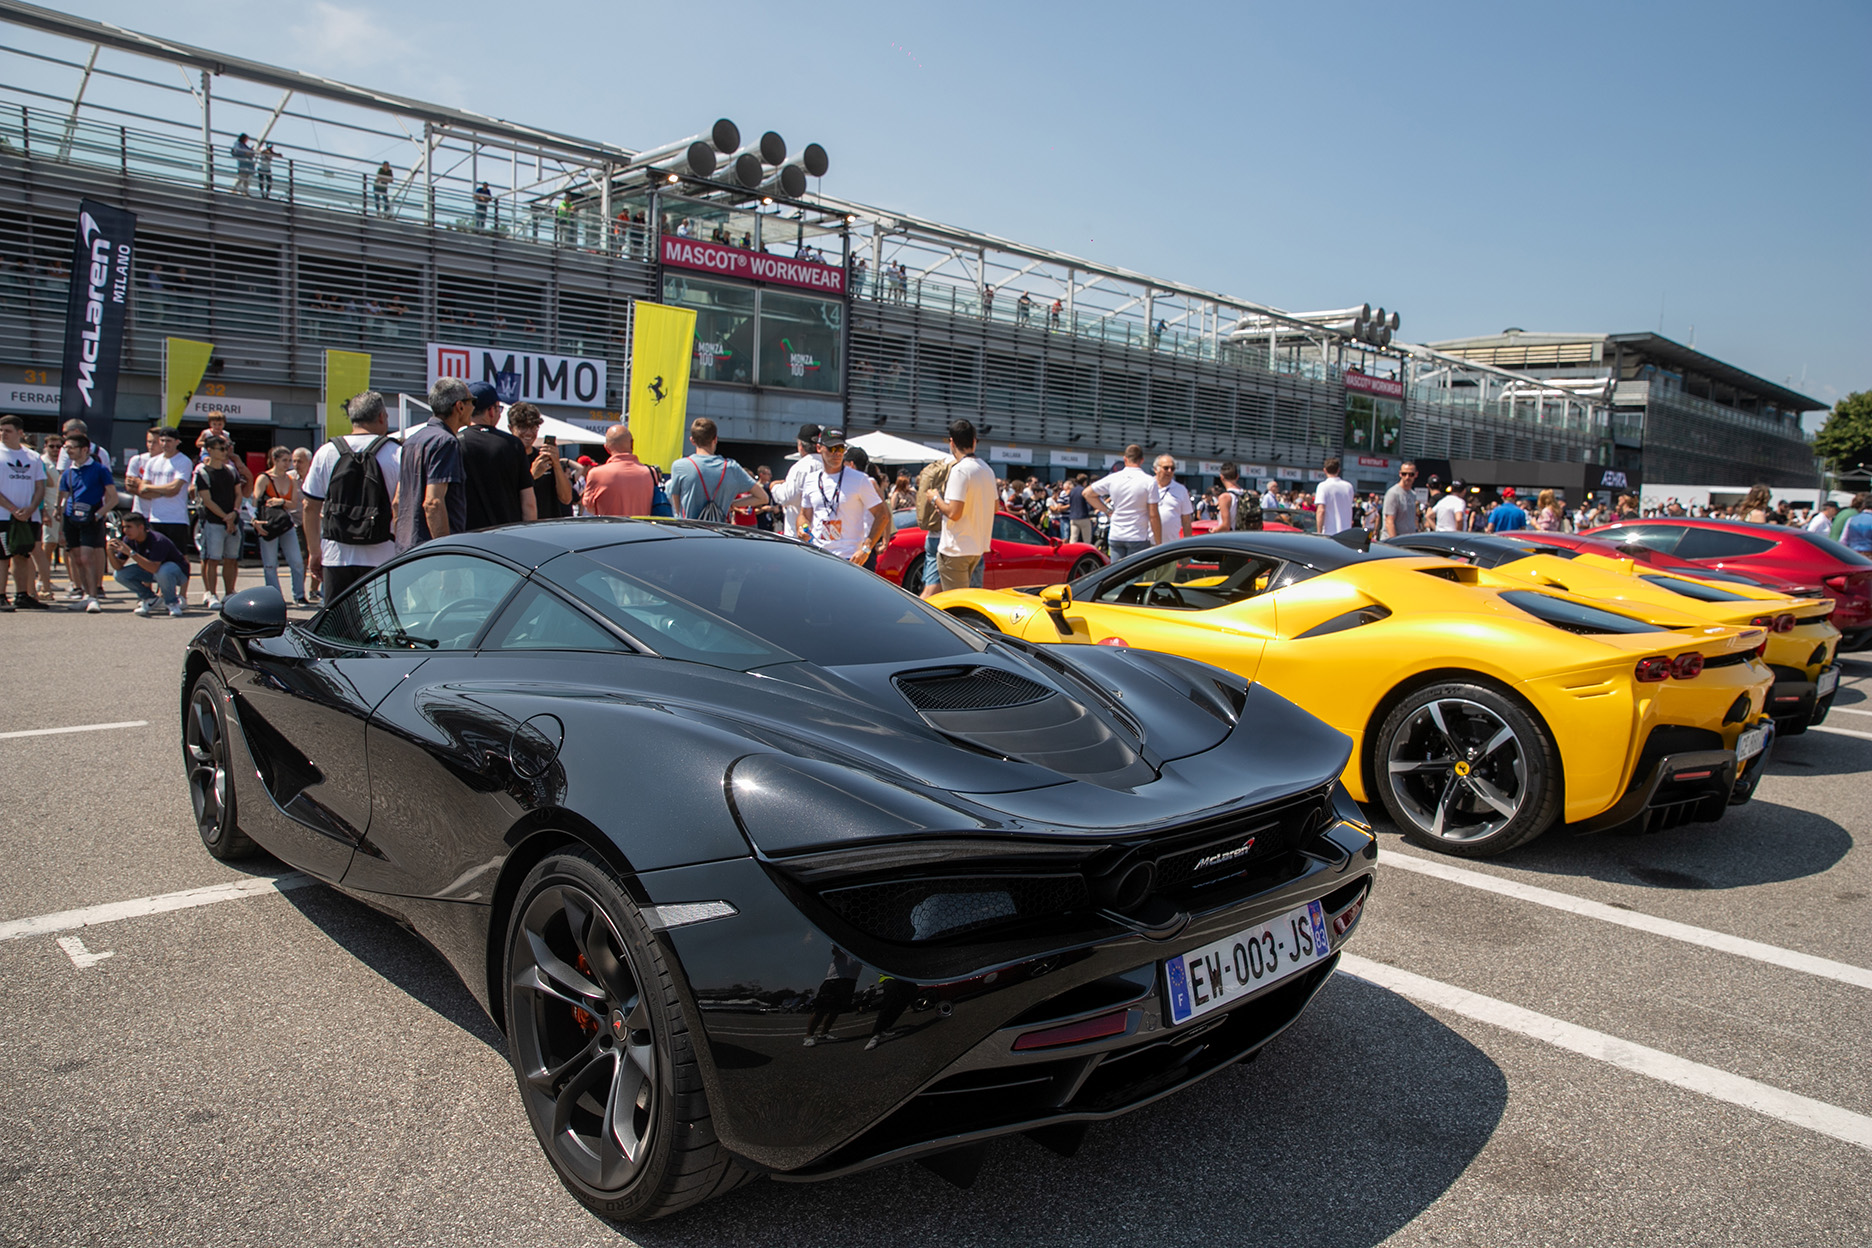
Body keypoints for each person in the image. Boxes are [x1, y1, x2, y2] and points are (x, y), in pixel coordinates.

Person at [302, 391, 401, 602]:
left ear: (351, 417)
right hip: (384, 554)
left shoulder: (326, 452)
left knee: (336, 626)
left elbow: (309, 506)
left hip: (336, 554)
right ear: (382, 416)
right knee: (381, 625)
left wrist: (314, 551)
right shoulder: (396, 453)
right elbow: (400, 505)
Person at [396, 378, 471, 550]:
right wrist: (445, 550)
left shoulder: (411, 441)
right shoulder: (446, 442)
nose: (473, 407)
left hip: (406, 548)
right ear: (460, 407)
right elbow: (433, 502)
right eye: (471, 401)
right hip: (431, 552)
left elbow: (397, 501)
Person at [799, 428, 887, 565]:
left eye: (840, 448)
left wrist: (866, 548)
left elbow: (882, 515)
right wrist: (802, 527)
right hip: (818, 555)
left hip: (849, 558)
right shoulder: (811, 480)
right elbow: (804, 514)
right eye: (831, 448)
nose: (837, 453)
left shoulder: (859, 479)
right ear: (819, 448)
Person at [457, 381, 537, 530]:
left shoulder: (455, 442)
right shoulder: (512, 444)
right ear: (491, 411)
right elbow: (528, 503)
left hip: (466, 537)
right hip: (506, 535)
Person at [57, 431, 116, 612]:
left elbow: (113, 498)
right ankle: (84, 594)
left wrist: (98, 515)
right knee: (76, 558)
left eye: (72, 448)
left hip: (91, 518)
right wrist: (58, 517)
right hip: (71, 518)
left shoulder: (100, 470)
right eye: (66, 448)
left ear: (84, 449)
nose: (68, 452)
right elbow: (62, 498)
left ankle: (93, 596)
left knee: (86, 557)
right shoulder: (68, 472)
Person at [667, 417, 766, 521]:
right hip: (718, 532)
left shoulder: (680, 466)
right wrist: (732, 504)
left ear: (692, 440)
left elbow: (677, 508)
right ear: (715, 439)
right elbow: (763, 497)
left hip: (690, 532)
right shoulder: (731, 467)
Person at [1, 414, 48, 611]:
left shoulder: (33, 457)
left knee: (23, 555)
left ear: (20, 433)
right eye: (1, 430)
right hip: (4, 515)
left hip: (29, 516)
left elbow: (40, 486)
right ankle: (1, 596)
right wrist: (12, 509)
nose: (3, 434)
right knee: (3, 556)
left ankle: (22, 595)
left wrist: (31, 509)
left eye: (8, 431)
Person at [192, 435, 244, 608]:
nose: (225, 452)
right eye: (221, 449)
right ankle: (211, 593)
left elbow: (238, 494)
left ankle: (229, 593)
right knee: (212, 559)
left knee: (231, 558)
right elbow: (207, 500)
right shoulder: (203, 472)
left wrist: (234, 514)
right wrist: (225, 516)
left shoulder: (231, 470)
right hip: (213, 521)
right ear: (210, 450)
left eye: (227, 448)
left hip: (232, 520)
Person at [124, 426, 193, 555]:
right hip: (155, 518)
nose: (165, 444)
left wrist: (152, 489)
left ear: (177, 442)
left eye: (169, 441)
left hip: (176, 519)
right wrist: (162, 491)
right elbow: (143, 490)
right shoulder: (152, 462)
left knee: (178, 556)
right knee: (155, 556)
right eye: (162, 440)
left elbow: (174, 489)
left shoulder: (183, 461)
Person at [106, 511, 189, 617]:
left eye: (129, 527)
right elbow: (118, 567)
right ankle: (150, 598)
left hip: (177, 572)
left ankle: (172, 603)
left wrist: (131, 553)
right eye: (123, 527)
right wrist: (109, 552)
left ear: (140, 527)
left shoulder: (157, 540)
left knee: (163, 571)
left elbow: (154, 568)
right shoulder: (128, 540)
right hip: (155, 572)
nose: (125, 531)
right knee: (120, 575)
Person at [253, 446, 308, 604]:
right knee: (270, 564)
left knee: (297, 561)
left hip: (284, 523)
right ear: (275, 460)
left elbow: (293, 504)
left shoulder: (290, 479)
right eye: (284, 460)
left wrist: (281, 501)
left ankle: (299, 595)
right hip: (268, 523)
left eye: (289, 460)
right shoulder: (264, 478)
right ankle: (275, 597)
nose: (288, 464)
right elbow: (255, 501)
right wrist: (255, 521)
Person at [1086, 445, 1161, 559]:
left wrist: (1108, 510)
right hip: (1138, 535)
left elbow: (1087, 493)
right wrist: (1158, 542)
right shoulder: (1149, 481)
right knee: (1136, 574)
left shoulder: (1114, 478)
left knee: (1117, 573)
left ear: (1125, 459)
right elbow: (1153, 515)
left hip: (1116, 534)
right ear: (1142, 460)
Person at [507, 404, 573, 520]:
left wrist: (556, 464)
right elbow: (506, 499)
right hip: (517, 527)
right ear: (511, 428)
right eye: (523, 427)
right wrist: (532, 475)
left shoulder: (544, 458)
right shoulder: (505, 458)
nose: (529, 433)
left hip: (547, 527)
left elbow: (566, 498)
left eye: (533, 427)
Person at [580, 425, 658, 516]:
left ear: (606, 448)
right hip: (642, 529)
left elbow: (589, 508)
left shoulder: (596, 474)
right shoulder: (650, 473)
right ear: (632, 444)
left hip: (609, 528)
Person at [771, 422, 824, 539]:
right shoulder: (829, 466)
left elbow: (789, 497)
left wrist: (774, 488)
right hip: (823, 534)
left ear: (800, 445)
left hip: (799, 533)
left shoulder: (801, 467)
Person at [1151, 455, 1194, 543]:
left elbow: (1186, 521)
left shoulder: (1181, 490)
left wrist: (1188, 544)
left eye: (1172, 468)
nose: (1169, 471)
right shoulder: (1147, 486)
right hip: (1147, 544)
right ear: (1156, 469)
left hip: (1171, 544)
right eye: (1166, 468)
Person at [1313, 456, 1354, 536]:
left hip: (1329, 533)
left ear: (1324, 470)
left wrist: (1319, 532)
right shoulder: (1348, 486)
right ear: (1338, 470)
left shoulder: (1323, 486)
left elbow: (1321, 511)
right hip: (1346, 533)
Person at [1381, 461, 1419, 541]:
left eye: (1411, 474)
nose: (1407, 477)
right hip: (1393, 543)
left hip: (1408, 541)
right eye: (1404, 474)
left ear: (1416, 474)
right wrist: (1395, 543)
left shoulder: (1413, 494)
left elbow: (1413, 518)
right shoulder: (1393, 493)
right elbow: (1389, 521)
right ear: (1400, 474)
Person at [1067, 473, 1094, 545]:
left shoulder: (1072, 491)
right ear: (1084, 482)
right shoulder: (1084, 491)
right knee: (1087, 540)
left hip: (1073, 517)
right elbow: (1088, 504)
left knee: (1073, 539)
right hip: (1083, 517)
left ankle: (1071, 554)